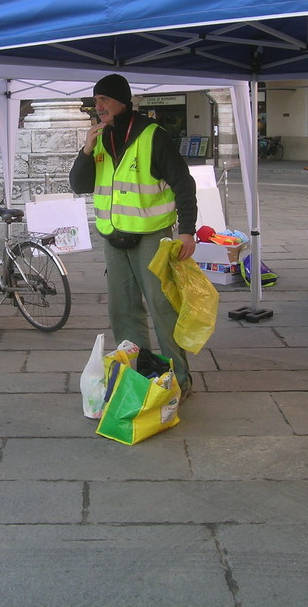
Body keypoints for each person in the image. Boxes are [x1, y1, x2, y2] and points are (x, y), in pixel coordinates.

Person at [69, 73, 198, 396]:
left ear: (122, 102)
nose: (98, 106)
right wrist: (86, 150)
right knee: (123, 310)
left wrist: (187, 232)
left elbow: (184, 184)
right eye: (96, 100)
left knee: (162, 308)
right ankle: (139, 374)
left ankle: (178, 379)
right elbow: (79, 185)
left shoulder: (153, 136)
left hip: (152, 237)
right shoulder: (100, 137)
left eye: (105, 100)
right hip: (113, 239)